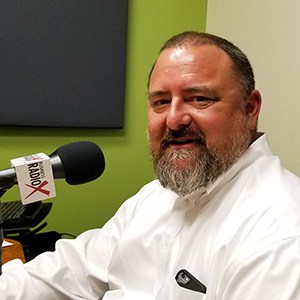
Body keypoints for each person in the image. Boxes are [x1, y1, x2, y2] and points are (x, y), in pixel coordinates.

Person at [1, 31, 300, 299]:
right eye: (160, 102)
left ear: (249, 110)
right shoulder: (156, 196)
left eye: (198, 98)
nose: (173, 119)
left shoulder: (280, 234)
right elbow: (72, 269)